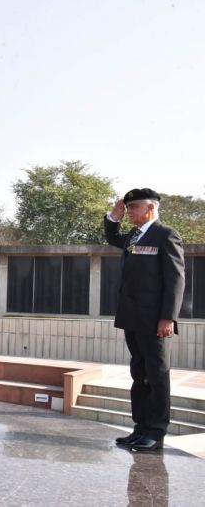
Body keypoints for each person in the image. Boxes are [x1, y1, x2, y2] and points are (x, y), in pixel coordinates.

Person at [104, 188, 185, 452]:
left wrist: (168, 318)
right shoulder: (133, 236)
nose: (128, 212)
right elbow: (113, 237)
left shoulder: (166, 235)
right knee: (139, 374)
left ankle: (156, 432)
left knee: (157, 375)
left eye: (132, 208)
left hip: (155, 321)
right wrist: (112, 217)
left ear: (149, 208)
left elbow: (175, 280)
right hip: (132, 318)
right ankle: (140, 428)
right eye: (127, 208)